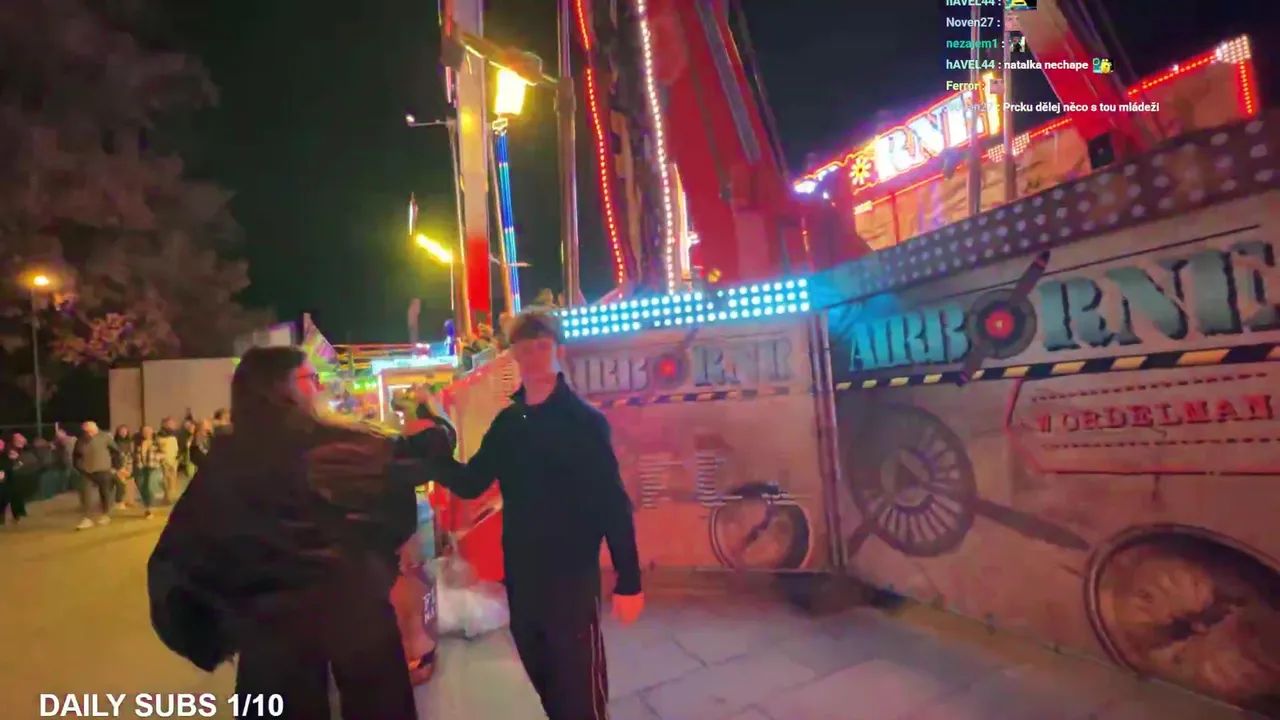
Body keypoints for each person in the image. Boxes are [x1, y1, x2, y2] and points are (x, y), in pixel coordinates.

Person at [147, 346, 439, 719]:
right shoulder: (354, 444)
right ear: (281, 388)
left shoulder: (227, 462)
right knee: (376, 703)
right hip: (356, 611)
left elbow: (182, 554)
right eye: (311, 378)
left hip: (271, 626)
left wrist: (214, 629)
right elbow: (399, 515)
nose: (320, 387)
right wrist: (378, 569)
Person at [420, 309, 644, 720]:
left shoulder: (584, 422)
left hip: (572, 580)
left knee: (579, 693)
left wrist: (629, 580)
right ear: (514, 357)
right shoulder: (509, 424)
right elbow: (471, 482)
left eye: (542, 346)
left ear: (559, 350)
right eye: (525, 349)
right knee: (542, 682)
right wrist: (432, 452)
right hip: (523, 578)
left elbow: (612, 503)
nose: (534, 357)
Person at [74, 422, 119, 530]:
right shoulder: (81, 440)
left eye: (89, 430)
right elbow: (76, 455)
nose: (87, 432)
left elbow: (116, 451)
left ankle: (105, 514)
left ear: (95, 429)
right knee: (86, 493)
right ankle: (87, 518)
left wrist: (115, 466)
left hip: (103, 469)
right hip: (86, 471)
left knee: (104, 492)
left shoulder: (104, 437)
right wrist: (78, 466)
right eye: (85, 430)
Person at [1, 433, 41, 524]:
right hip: (11, 477)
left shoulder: (25, 450)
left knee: (15, 494)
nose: (21, 441)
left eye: (21, 439)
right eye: (18, 439)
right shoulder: (9, 451)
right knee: (8, 495)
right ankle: (12, 515)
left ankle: (18, 514)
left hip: (18, 477)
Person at [134, 426, 165, 519]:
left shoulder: (156, 442)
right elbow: (135, 455)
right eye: (144, 431)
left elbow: (163, 454)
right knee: (142, 487)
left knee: (149, 487)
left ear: (152, 432)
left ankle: (150, 509)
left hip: (153, 467)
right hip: (141, 468)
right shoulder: (138, 443)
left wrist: (156, 458)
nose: (146, 433)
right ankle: (147, 506)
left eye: (148, 431)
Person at [157, 417, 181, 503]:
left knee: (173, 480)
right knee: (165, 479)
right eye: (169, 423)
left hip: (174, 460)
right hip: (164, 460)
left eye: (173, 423)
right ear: (164, 424)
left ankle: (171, 496)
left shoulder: (176, 434)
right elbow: (158, 446)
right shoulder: (160, 435)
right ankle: (167, 497)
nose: (171, 425)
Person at [112, 425, 135, 509]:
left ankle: (130, 501)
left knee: (130, 483)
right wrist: (117, 466)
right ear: (118, 432)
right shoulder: (114, 443)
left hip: (129, 464)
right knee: (121, 484)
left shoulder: (130, 442)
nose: (123, 432)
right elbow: (113, 456)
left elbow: (132, 453)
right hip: (120, 465)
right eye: (121, 431)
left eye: (125, 431)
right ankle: (120, 502)